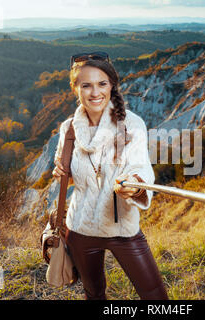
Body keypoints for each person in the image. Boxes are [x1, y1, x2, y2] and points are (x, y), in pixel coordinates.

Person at [51, 52, 168, 300]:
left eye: (102, 84)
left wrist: (134, 186)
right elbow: (70, 174)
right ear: (76, 89)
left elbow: (141, 167)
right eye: (86, 85)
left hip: (122, 228)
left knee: (155, 297)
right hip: (80, 228)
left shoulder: (132, 124)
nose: (95, 93)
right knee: (94, 294)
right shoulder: (68, 129)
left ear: (112, 85)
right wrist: (62, 172)